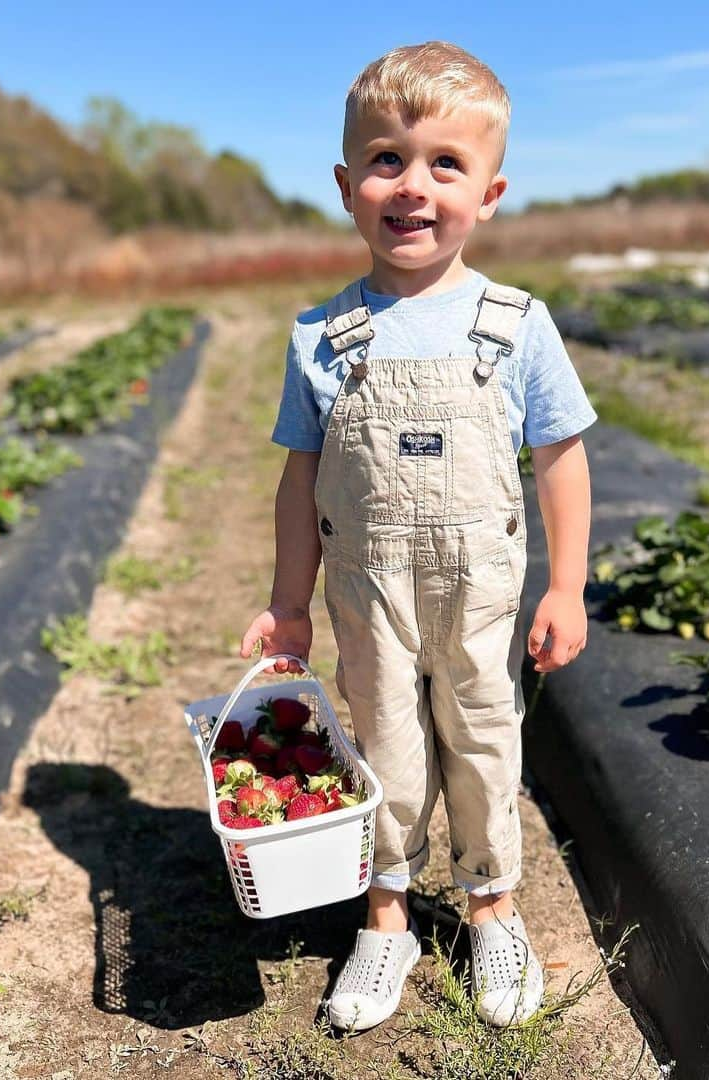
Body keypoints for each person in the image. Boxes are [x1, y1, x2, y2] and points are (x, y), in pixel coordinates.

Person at [240, 40, 596, 1032]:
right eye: (389, 160)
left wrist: (564, 588)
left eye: (448, 164)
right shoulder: (323, 336)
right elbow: (300, 478)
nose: (415, 186)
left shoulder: (517, 325)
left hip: (480, 588)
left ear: (490, 193)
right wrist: (287, 603)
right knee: (386, 752)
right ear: (349, 187)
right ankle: (387, 915)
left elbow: (562, 460)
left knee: (485, 743)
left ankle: (492, 910)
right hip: (369, 589)